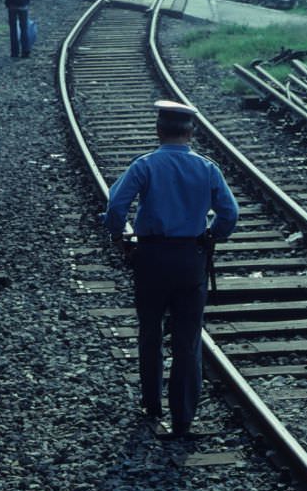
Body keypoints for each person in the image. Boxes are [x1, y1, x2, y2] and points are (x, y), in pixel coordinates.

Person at [101, 100, 238, 439]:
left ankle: (151, 403)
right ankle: (183, 417)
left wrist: (119, 236)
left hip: (151, 257)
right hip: (190, 259)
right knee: (188, 339)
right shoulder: (207, 169)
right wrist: (211, 235)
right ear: (191, 132)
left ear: (158, 130)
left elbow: (116, 207)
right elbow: (229, 214)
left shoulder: (144, 166)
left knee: (149, 332)